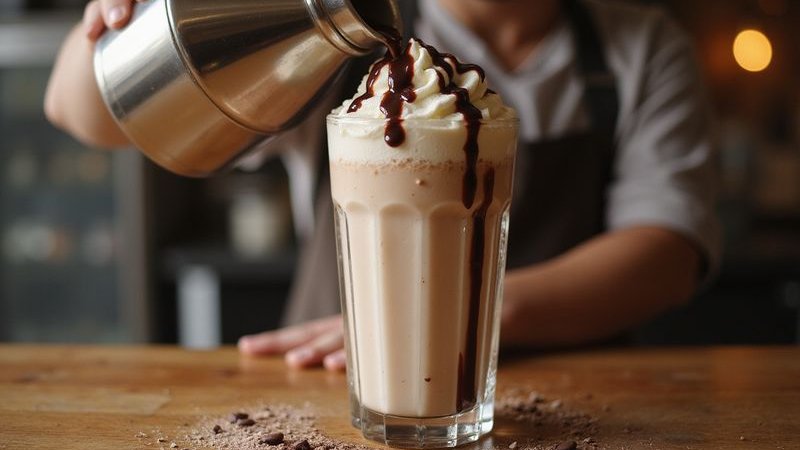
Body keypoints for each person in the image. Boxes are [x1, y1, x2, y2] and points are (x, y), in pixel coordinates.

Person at [45, 0, 719, 371]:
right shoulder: (341, 36)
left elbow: (666, 253)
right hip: (347, 384)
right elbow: (83, 113)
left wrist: (468, 317)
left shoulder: (640, 48)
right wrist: (112, 21)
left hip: (577, 396)